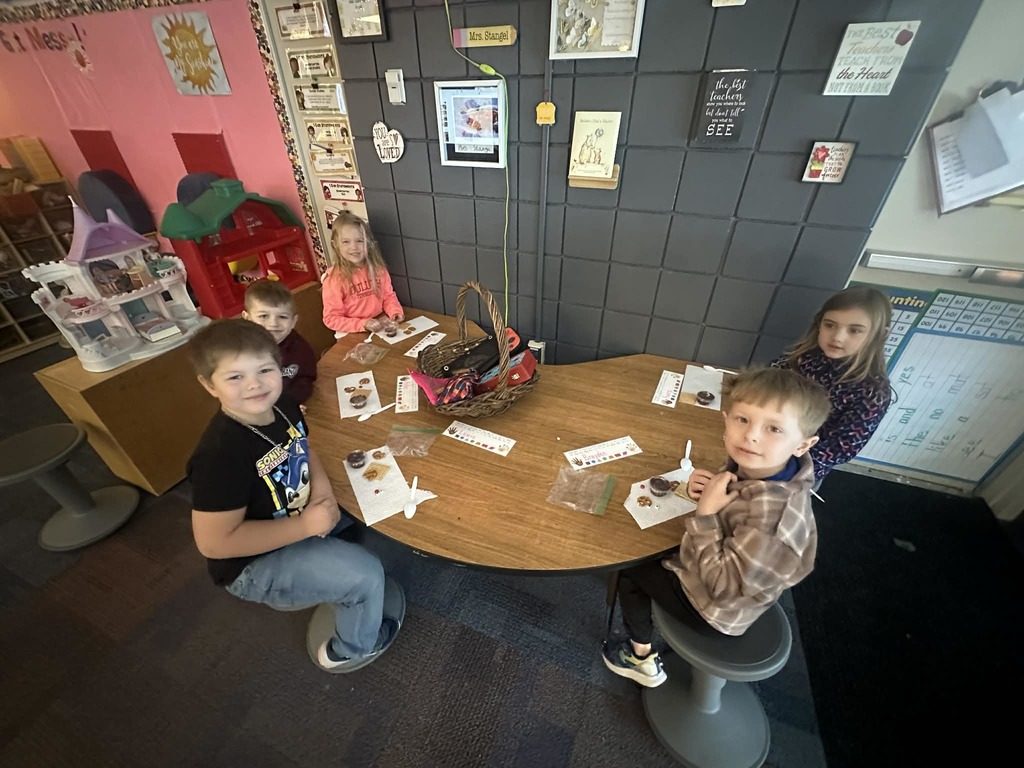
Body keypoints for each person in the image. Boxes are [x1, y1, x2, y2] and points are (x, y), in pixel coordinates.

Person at [186, 319, 401, 670]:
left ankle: (332, 565)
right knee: (366, 575)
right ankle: (351, 648)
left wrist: (324, 497)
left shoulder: (282, 403)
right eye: (235, 377)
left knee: (373, 502)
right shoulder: (219, 455)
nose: (255, 384)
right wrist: (306, 526)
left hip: (295, 514)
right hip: (252, 563)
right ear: (209, 385)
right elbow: (214, 544)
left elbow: (305, 448)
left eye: (264, 370)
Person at [602, 367, 831, 688]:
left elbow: (722, 588)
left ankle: (640, 657)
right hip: (735, 576)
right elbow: (739, 505)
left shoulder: (774, 519)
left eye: (774, 428)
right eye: (743, 419)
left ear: (803, 445)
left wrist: (707, 513)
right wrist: (710, 487)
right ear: (726, 418)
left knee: (630, 567)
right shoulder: (765, 464)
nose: (751, 436)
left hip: (716, 611)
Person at [771, 285, 893, 484]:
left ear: (880, 335)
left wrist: (777, 466)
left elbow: (840, 449)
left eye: (854, 330)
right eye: (830, 325)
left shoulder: (873, 392)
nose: (838, 337)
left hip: (794, 472)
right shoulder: (799, 358)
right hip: (758, 444)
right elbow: (763, 386)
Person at [321, 211, 404, 336]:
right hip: (350, 332)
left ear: (368, 243)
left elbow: (388, 296)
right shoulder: (334, 279)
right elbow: (331, 319)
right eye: (346, 242)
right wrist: (363, 324)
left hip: (379, 324)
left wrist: (395, 311)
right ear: (335, 244)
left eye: (359, 241)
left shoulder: (378, 269)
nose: (354, 247)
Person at [242, 279, 317, 404]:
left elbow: (306, 379)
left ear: (293, 321)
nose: (273, 324)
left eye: (282, 317)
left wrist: (289, 403)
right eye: (263, 316)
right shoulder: (237, 352)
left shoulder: (300, 348)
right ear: (247, 318)